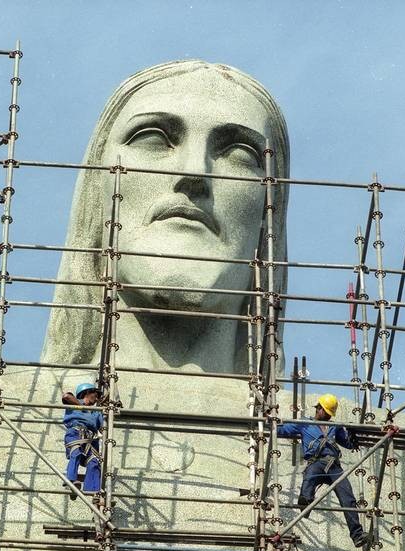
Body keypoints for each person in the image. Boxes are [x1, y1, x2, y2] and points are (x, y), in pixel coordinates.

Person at [41, 61, 290, 376]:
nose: (193, 172)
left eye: (239, 154)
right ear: (96, 190)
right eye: (153, 138)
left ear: (270, 213)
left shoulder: (325, 425)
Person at [277, 393, 398, 548]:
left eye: (329, 414)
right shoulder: (304, 423)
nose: (328, 416)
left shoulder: (335, 427)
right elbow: (283, 430)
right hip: (316, 462)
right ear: (318, 408)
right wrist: (269, 422)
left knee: (348, 498)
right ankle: (305, 502)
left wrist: (353, 435)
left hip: (334, 466)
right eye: (326, 413)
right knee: (309, 478)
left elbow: (347, 443)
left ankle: (357, 535)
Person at [62, 382, 103, 498]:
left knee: (94, 462)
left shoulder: (96, 412)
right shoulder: (74, 403)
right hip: (76, 432)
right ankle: (71, 481)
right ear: (87, 392)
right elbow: (66, 396)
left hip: (90, 439)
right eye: (95, 394)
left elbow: (102, 428)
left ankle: (93, 491)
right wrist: (82, 407)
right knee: (76, 453)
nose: (97, 397)